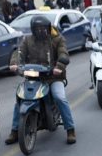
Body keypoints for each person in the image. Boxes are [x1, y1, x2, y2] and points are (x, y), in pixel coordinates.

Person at [5, 15, 77, 145]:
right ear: (33, 29)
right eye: (37, 29)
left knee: (59, 97)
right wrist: (15, 63)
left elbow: (63, 53)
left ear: (48, 28)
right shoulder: (28, 40)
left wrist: (59, 66)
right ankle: (15, 130)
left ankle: (70, 129)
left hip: (53, 77)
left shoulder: (57, 39)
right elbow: (19, 52)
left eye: (43, 29)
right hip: (34, 76)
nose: (40, 31)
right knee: (20, 99)